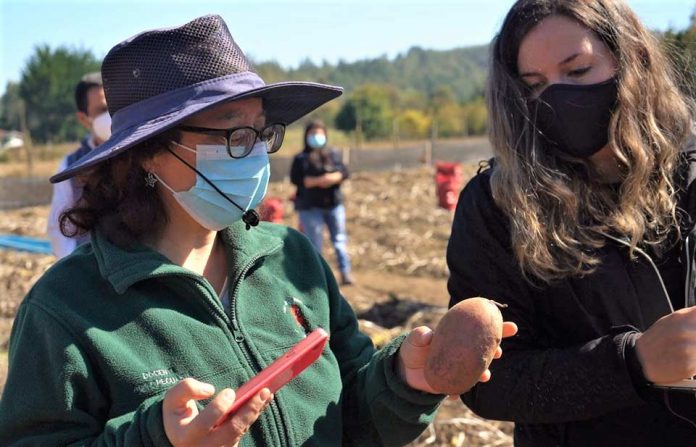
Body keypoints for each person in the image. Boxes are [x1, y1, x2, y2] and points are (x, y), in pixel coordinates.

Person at [0, 15, 516, 446]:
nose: (254, 154)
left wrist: (405, 380)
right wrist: (152, 438)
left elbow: (353, 414)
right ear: (152, 152)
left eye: (262, 131)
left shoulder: (291, 259)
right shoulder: (66, 310)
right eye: (232, 132)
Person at [446, 0, 696, 445]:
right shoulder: (496, 206)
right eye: (535, 85)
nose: (558, 97)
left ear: (632, 59)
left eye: (578, 72)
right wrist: (633, 362)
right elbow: (491, 382)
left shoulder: (690, 175)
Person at [47, 72, 111, 259]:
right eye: (102, 110)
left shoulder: (144, 152)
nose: (111, 116)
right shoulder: (72, 166)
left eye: (115, 107)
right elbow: (59, 228)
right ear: (84, 119)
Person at [290, 120, 354, 285]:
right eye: (313, 134)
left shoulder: (333, 153)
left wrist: (333, 178)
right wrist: (318, 181)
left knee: (340, 241)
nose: (316, 137)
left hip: (333, 204)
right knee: (315, 243)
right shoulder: (300, 158)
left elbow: (344, 172)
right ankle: (319, 278)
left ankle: (345, 273)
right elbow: (296, 179)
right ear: (306, 136)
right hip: (310, 207)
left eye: (319, 134)